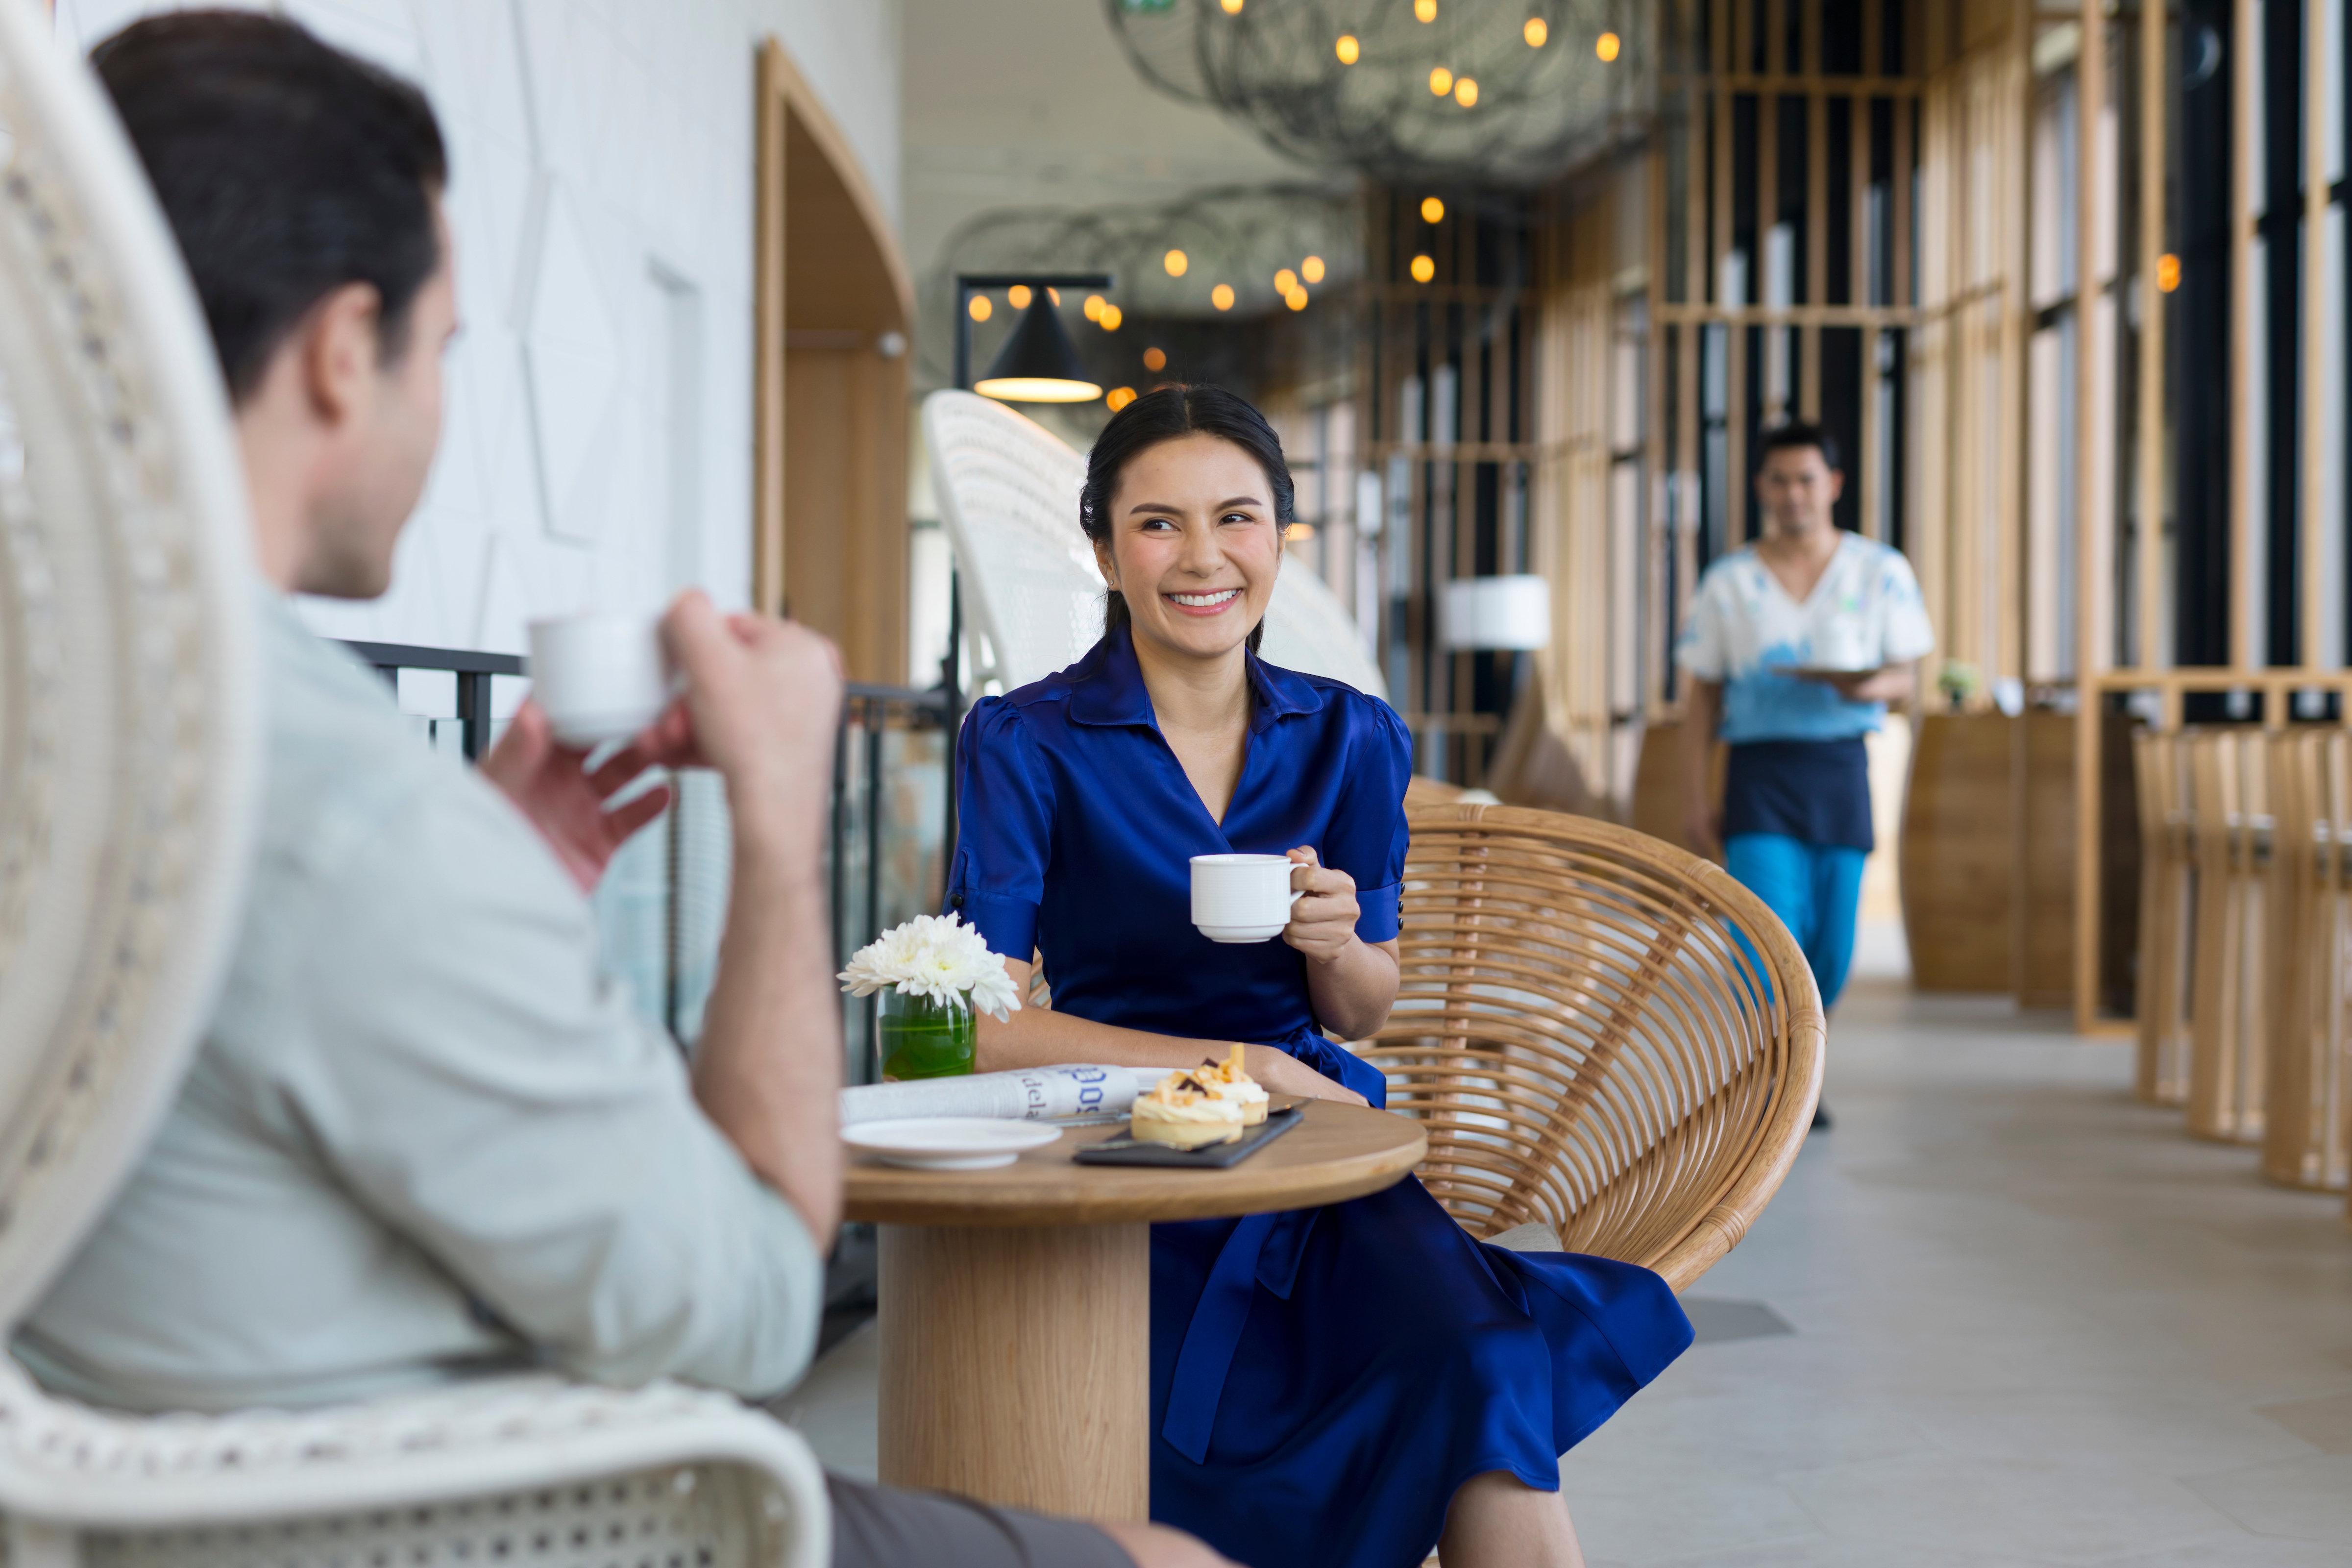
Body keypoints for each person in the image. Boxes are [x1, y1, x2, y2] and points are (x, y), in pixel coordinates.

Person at [17, 14, 1223, 1568]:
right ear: (338, 354)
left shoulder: (85, 712)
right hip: (452, 1509)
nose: (441, 407)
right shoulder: (343, 814)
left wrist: (499, 868)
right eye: (445, 353)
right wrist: (782, 829)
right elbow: (735, 1305)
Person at [945, 383, 1695, 1568]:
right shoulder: (1024, 739)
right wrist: (1239, 1064)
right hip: (1114, 1157)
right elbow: (980, 1028)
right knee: (1233, 1420)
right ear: (1104, 546)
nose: (1203, 558)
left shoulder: (1355, 735)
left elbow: (1362, 1008)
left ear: (1279, 537)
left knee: (1481, 1358)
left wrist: (1340, 946)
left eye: (1237, 518)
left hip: (1316, 1152)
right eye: (1158, 523)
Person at [1674, 423, 1936, 1120]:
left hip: (1840, 769)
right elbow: (1701, 694)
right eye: (1780, 481)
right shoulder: (1729, 582)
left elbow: (1908, 677)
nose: (1794, 494)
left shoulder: (1880, 572)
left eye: (1807, 479)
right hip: (1759, 771)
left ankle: (1802, 1058)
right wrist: (1695, 793)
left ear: (1835, 485)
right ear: (1762, 488)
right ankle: (1783, 1078)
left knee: (1834, 945)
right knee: (1769, 933)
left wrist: (1864, 689)